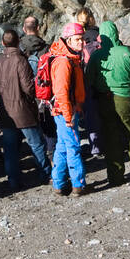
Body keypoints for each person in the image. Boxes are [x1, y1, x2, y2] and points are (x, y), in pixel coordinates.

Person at [87, 20, 130, 185]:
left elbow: (88, 79)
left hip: (104, 100)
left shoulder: (96, 55)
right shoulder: (126, 52)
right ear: (116, 33)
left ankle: (116, 177)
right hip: (125, 99)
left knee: (111, 137)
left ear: (101, 37)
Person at [0, 28, 51, 191]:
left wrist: (0, 105)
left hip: (7, 112)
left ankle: (13, 181)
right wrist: (32, 101)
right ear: (18, 41)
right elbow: (28, 87)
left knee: (10, 149)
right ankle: (45, 174)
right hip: (23, 110)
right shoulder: (21, 60)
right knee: (36, 144)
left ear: (3, 43)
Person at [48, 22, 87, 197]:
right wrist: (69, 115)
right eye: (78, 39)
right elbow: (61, 92)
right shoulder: (64, 62)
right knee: (73, 147)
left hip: (64, 110)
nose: (82, 43)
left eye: (83, 39)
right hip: (65, 111)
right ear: (69, 40)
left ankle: (58, 183)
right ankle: (78, 185)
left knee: (63, 146)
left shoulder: (69, 57)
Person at [75, 8, 103, 157]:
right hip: (101, 78)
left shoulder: (76, 38)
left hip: (83, 80)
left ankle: (95, 147)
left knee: (89, 114)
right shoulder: (98, 36)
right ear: (91, 18)